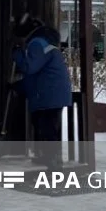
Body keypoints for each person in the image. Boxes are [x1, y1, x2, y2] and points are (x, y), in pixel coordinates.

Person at [11, 14, 73, 168]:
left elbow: (30, 67)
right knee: (48, 126)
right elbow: (39, 74)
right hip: (53, 93)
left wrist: (17, 54)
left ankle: (53, 161)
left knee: (46, 127)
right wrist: (19, 86)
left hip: (48, 95)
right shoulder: (47, 43)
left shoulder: (37, 44)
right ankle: (50, 157)